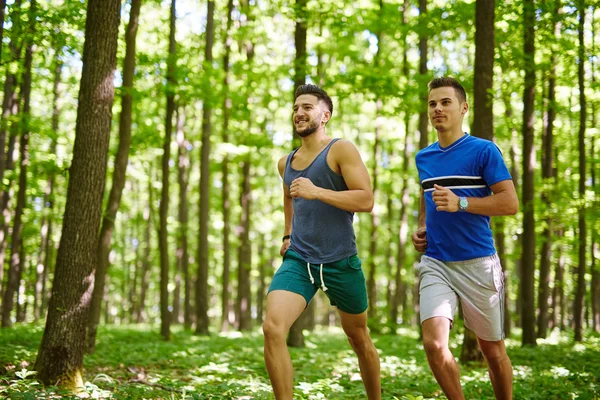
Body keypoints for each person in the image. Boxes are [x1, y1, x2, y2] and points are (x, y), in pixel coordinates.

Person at [262, 84, 381, 400]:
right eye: (296, 107)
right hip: (300, 260)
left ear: (325, 115)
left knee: (358, 337)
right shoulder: (284, 162)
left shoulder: (341, 149)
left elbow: (366, 199)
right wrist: (288, 235)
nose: (299, 112)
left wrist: (318, 191)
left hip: (340, 260)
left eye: (307, 107)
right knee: (273, 328)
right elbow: (290, 197)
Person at [412, 77, 518, 400]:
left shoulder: (484, 151)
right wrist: (423, 227)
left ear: (463, 108)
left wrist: (463, 203)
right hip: (437, 263)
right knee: (433, 343)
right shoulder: (424, 157)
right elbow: (426, 195)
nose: (438, 109)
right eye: (432, 104)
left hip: (478, 263)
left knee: (492, 351)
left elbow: (510, 203)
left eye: (445, 102)